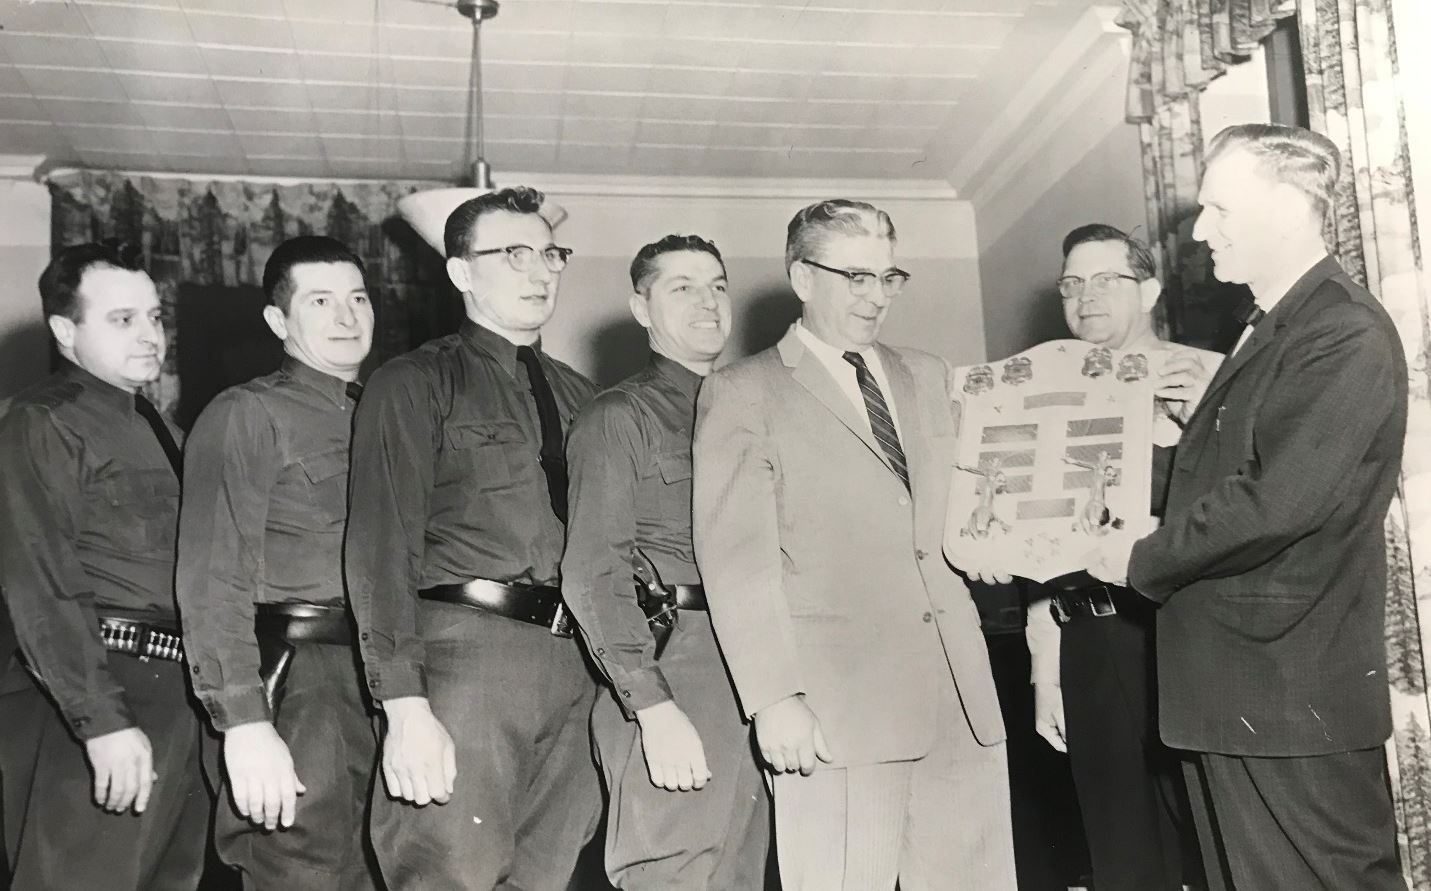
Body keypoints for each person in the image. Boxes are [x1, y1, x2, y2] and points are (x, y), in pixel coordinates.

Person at [1089, 123, 1408, 890]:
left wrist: (1135, 557)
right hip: (1244, 689)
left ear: (1289, 206)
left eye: (1219, 210)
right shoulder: (1276, 326)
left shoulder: (1341, 328)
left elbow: (1275, 503)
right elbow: (1243, 478)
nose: (1200, 233)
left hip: (1287, 695)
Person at [692, 199, 1015, 889]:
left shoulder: (930, 374)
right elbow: (737, 558)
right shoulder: (742, 390)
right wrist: (774, 696)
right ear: (802, 277)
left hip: (958, 698)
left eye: (886, 277)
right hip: (836, 712)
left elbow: (973, 499)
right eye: (854, 277)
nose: (875, 296)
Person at [346, 186, 602, 890]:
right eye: (513, 253)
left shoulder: (585, 398)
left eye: (549, 252)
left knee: (545, 874)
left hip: (577, 664)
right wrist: (403, 702)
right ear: (460, 272)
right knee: (448, 871)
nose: (539, 269)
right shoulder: (414, 381)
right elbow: (379, 549)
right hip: (467, 658)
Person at [562, 234, 770, 889]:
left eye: (716, 285)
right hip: (677, 661)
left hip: (757, 663)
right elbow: (593, 574)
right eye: (680, 287)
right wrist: (651, 706)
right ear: (640, 307)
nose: (707, 301)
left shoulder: (755, 410)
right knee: (671, 871)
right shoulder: (617, 417)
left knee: (739, 871)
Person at [0, 242, 208, 889]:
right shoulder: (43, 420)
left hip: (175, 693)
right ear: (66, 330)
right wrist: (102, 720)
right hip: (96, 684)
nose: (149, 335)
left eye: (154, 317)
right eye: (122, 319)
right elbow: (40, 578)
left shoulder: (161, 427)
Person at [176, 235, 379, 889]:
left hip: (386, 676)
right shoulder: (246, 413)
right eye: (320, 300)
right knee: (304, 869)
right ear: (277, 320)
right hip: (301, 683)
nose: (346, 317)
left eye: (357, 297)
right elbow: (212, 579)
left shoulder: (388, 416)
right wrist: (244, 723)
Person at [1024, 223, 1205, 891]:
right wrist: (1045, 672)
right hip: (1087, 641)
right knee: (1119, 855)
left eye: (1106, 280)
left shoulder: (1207, 378)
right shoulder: (1046, 398)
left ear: (1150, 289)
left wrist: (1192, 422)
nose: (1085, 296)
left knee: (1208, 840)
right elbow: (1034, 548)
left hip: (1180, 633)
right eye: (1072, 283)